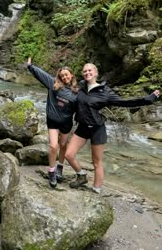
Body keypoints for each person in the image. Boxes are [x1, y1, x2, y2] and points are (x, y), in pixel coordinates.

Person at [65, 63, 160, 193]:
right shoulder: (80, 86)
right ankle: (81, 176)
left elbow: (125, 102)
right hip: (82, 127)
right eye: (85, 71)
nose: (87, 73)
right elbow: (63, 85)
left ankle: (96, 190)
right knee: (69, 155)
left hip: (97, 129)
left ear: (96, 73)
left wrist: (148, 99)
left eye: (90, 70)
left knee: (96, 162)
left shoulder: (105, 91)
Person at [27, 57, 78, 188]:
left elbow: (84, 105)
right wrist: (30, 66)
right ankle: (51, 171)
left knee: (63, 145)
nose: (65, 77)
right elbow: (41, 74)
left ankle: (60, 166)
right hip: (53, 122)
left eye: (67, 75)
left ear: (71, 75)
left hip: (66, 123)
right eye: (62, 76)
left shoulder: (77, 91)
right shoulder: (53, 84)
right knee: (53, 146)